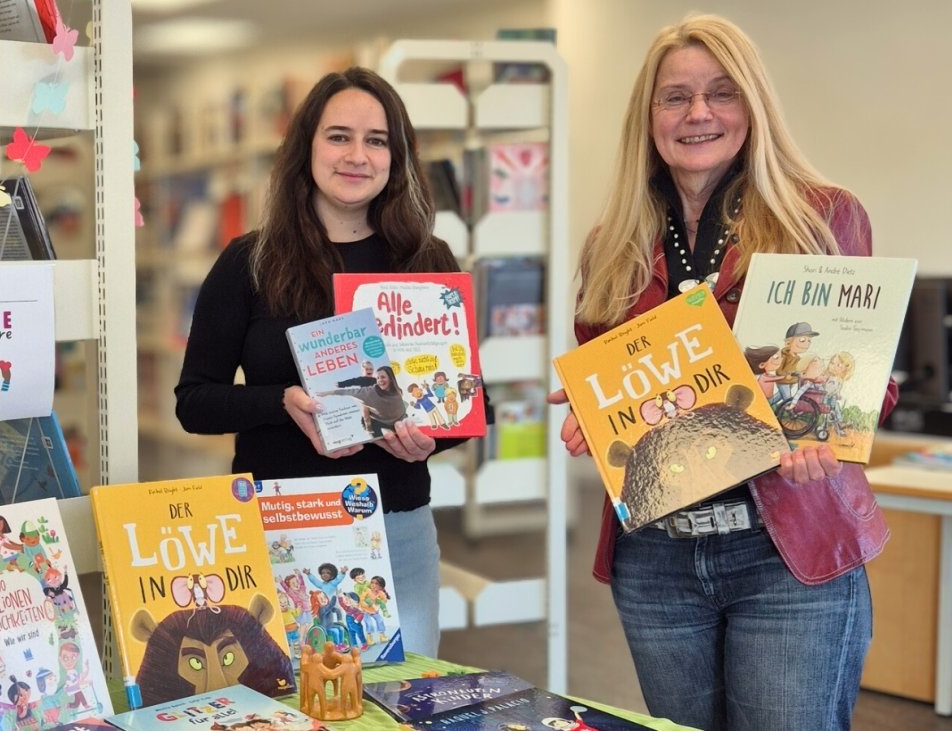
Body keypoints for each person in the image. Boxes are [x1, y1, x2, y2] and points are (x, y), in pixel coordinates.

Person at [547, 15, 895, 729]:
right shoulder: (611, 245)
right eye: (675, 97)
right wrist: (595, 414)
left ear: (753, 106)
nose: (698, 113)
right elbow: (611, 378)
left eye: (721, 93)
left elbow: (870, 379)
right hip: (657, 562)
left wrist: (824, 428)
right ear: (648, 118)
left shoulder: (820, 218)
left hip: (786, 550)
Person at [175, 67, 478, 658]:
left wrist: (428, 441)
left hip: (396, 526)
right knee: (292, 709)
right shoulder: (249, 262)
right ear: (306, 147)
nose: (357, 155)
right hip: (285, 529)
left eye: (377, 139)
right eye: (339, 136)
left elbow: (468, 397)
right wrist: (281, 402)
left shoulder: (427, 260)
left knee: (402, 703)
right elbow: (195, 401)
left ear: (398, 156)